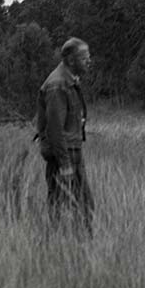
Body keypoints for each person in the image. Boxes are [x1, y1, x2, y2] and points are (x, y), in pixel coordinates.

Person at [36, 37, 94, 236]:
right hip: (63, 154)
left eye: (89, 57)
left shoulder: (68, 80)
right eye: (84, 57)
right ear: (70, 60)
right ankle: (54, 247)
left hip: (71, 150)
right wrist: (65, 164)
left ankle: (79, 247)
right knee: (63, 206)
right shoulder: (58, 85)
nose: (89, 61)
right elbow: (54, 130)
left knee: (82, 205)